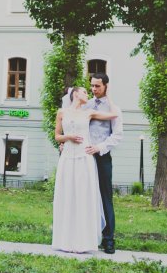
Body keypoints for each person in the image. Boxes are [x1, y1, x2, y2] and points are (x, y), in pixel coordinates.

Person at [52, 86, 119, 253]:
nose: (88, 94)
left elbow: (114, 114)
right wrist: (68, 137)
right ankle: (65, 240)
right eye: (84, 92)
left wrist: (108, 95)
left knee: (83, 197)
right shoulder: (62, 112)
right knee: (67, 195)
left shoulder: (88, 113)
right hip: (68, 157)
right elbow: (57, 136)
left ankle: (83, 241)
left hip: (84, 157)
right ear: (75, 94)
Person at [85, 72, 122, 254]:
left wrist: (99, 148)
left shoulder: (113, 108)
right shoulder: (86, 105)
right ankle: (86, 236)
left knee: (105, 196)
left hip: (102, 156)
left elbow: (117, 135)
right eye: (92, 85)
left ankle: (108, 239)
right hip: (84, 156)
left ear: (106, 86)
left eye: (97, 86)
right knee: (84, 195)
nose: (94, 89)